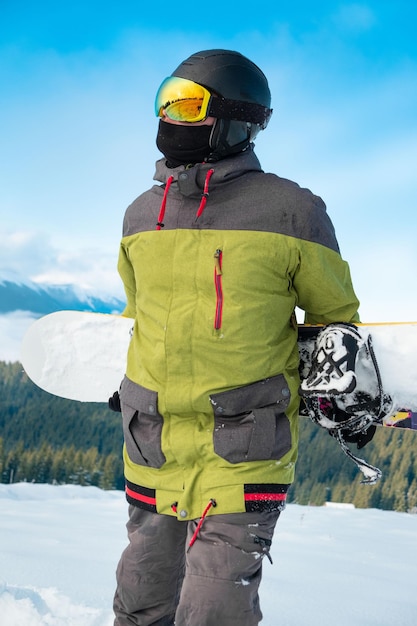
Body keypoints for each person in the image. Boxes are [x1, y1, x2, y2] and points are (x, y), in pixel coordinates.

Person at [112, 49, 361, 626]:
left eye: (187, 105)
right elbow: (141, 312)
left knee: (214, 611)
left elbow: (333, 316)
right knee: (140, 598)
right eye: (165, 102)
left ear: (234, 120)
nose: (170, 119)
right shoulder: (140, 214)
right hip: (153, 442)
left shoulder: (293, 211)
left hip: (244, 445)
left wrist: (338, 392)